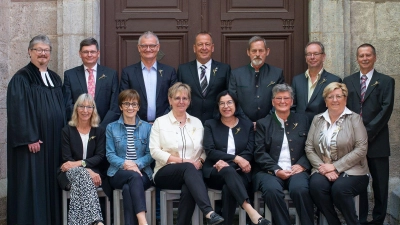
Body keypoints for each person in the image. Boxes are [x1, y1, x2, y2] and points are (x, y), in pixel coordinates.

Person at [7, 34, 65, 225]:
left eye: (46, 50)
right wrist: (30, 137)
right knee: (34, 184)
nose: (43, 53)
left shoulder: (55, 78)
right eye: (38, 50)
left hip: (54, 142)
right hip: (35, 144)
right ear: (29, 52)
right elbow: (18, 109)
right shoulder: (22, 78)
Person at [150, 82, 224, 225]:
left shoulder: (196, 122)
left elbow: (204, 150)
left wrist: (200, 162)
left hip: (193, 172)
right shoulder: (160, 122)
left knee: (189, 185)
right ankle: (208, 212)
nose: (181, 102)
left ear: (189, 101)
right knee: (189, 169)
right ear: (170, 100)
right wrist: (184, 161)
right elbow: (154, 151)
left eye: (185, 98)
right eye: (177, 98)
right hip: (165, 171)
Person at [343, 43, 394, 225]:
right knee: (359, 182)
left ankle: (379, 219)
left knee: (380, 184)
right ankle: (362, 219)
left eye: (368, 55)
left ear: (374, 57)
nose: (364, 58)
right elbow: (344, 108)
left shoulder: (387, 81)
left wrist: (366, 132)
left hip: (377, 140)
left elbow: (386, 109)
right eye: (361, 55)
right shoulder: (347, 81)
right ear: (357, 58)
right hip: (353, 142)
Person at [305, 82, 369, 225]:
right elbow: (309, 147)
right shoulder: (318, 119)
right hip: (322, 169)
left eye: (338, 96)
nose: (335, 100)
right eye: (330, 96)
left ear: (345, 99)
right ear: (325, 101)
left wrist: (334, 167)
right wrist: (324, 168)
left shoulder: (354, 119)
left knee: (340, 189)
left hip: (353, 170)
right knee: (316, 186)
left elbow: (361, 148)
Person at [203, 90, 270, 225]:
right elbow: (210, 151)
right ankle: (251, 211)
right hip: (216, 172)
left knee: (229, 186)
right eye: (222, 103)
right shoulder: (210, 124)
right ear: (217, 106)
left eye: (229, 102)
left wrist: (232, 163)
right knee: (227, 172)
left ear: (235, 104)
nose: (226, 106)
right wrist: (236, 159)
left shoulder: (247, 125)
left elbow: (249, 151)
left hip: (240, 172)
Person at [253, 84, 314, 225]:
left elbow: (312, 147)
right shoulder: (263, 123)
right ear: (273, 101)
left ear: (292, 101)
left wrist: (303, 165)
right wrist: (276, 170)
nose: (282, 101)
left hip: (297, 169)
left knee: (300, 189)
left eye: (286, 98)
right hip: (269, 171)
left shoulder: (303, 120)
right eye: (278, 98)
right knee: (271, 190)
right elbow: (259, 152)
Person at [106, 89, 154, 225]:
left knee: (128, 188)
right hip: (118, 173)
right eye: (126, 104)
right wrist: (126, 164)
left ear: (138, 107)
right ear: (121, 106)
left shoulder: (147, 128)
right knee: (133, 176)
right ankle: (143, 221)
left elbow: (151, 154)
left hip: (143, 173)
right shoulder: (111, 128)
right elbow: (110, 155)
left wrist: (136, 165)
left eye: (134, 104)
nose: (130, 107)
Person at [59, 94, 106, 225]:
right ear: (76, 109)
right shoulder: (66, 131)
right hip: (69, 174)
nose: (85, 110)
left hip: (93, 173)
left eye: (89, 107)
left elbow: (100, 156)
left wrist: (82, 164)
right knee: (83, 176)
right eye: (82, 106)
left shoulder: (99, 131)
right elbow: (67, 159)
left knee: (83, 179)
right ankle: (97, 221)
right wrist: (87, 172)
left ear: (93, 109)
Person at [120, 31, 177, 123]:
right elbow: (124, 100)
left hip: (164, 124)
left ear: (158, 47)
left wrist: (162, 120)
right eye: (144, 46)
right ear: (139, 48)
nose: (148, 49)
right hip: (136, 125)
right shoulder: (128, 72)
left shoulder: (169, 72)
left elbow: (174, 98)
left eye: (152, 46)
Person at [229, 35, 284, 128]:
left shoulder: (277, 73)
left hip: (270, 126)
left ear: (267, 52)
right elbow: (232, 101)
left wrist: (265, 121)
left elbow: (280, 100)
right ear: (248, 52)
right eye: (254, 51)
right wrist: (246, 122)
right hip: (242, 126)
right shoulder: (236, 74)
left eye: (261, 50)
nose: (257, 54)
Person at [63, 37, 120, 127]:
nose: (89, 55)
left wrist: (102, 127)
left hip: (104, 128)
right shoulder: (70, 75)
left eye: (92, 52)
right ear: (80, 54)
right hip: (78, 128)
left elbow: (115, 105)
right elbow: (68, 104)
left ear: (98, 53)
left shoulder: (111, 74)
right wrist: (81, 123)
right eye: (85, 52)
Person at [177, 32, 231, 124]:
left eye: (207, 44)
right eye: (200, 44)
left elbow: (229, 95)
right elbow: (177, 96)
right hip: (189, 122)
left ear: (212, 47)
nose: (204, 48)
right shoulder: (183, 69)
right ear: (194, 48)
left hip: (217, 122)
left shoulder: (224, 69)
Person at [291, 41, 342, 123]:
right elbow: (292, 106)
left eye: (316, 54)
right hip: (299, 129)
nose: (312, 57)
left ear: (323, 56)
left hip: (322, 129)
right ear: (305, 57)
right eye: (309, 54)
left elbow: (337, 108)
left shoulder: (334, 80)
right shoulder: (297, 80)